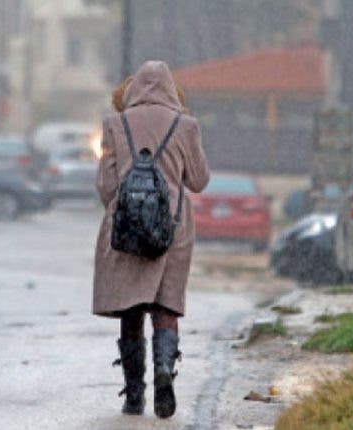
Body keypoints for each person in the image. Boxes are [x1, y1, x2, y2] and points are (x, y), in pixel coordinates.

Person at [94, 61, 209, 419]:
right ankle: (164, 372)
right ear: (171, 89)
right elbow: (199, 181)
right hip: (172, 229)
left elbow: (106, 185)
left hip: (125, 227)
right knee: (165, 306)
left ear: (134, 89)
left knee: (130, 309)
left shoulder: (114, 124)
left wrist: (125, 206)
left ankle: (134, 395)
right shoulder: (186, 126)